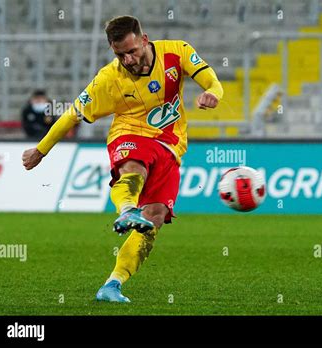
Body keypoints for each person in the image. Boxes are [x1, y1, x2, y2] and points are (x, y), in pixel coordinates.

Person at [21, 15, 223, 303]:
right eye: (120, 54)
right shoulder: (109, 79)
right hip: (130, 134)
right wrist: (41, 150)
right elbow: (71, 115)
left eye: (132, 51)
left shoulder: (176, 51)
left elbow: (209, 78)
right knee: (134, 165)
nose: (128, 59)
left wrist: (212, 92)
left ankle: (112, 285)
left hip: (170, 146)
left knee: (154, 219)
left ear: (144, 40)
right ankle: (127, 208)